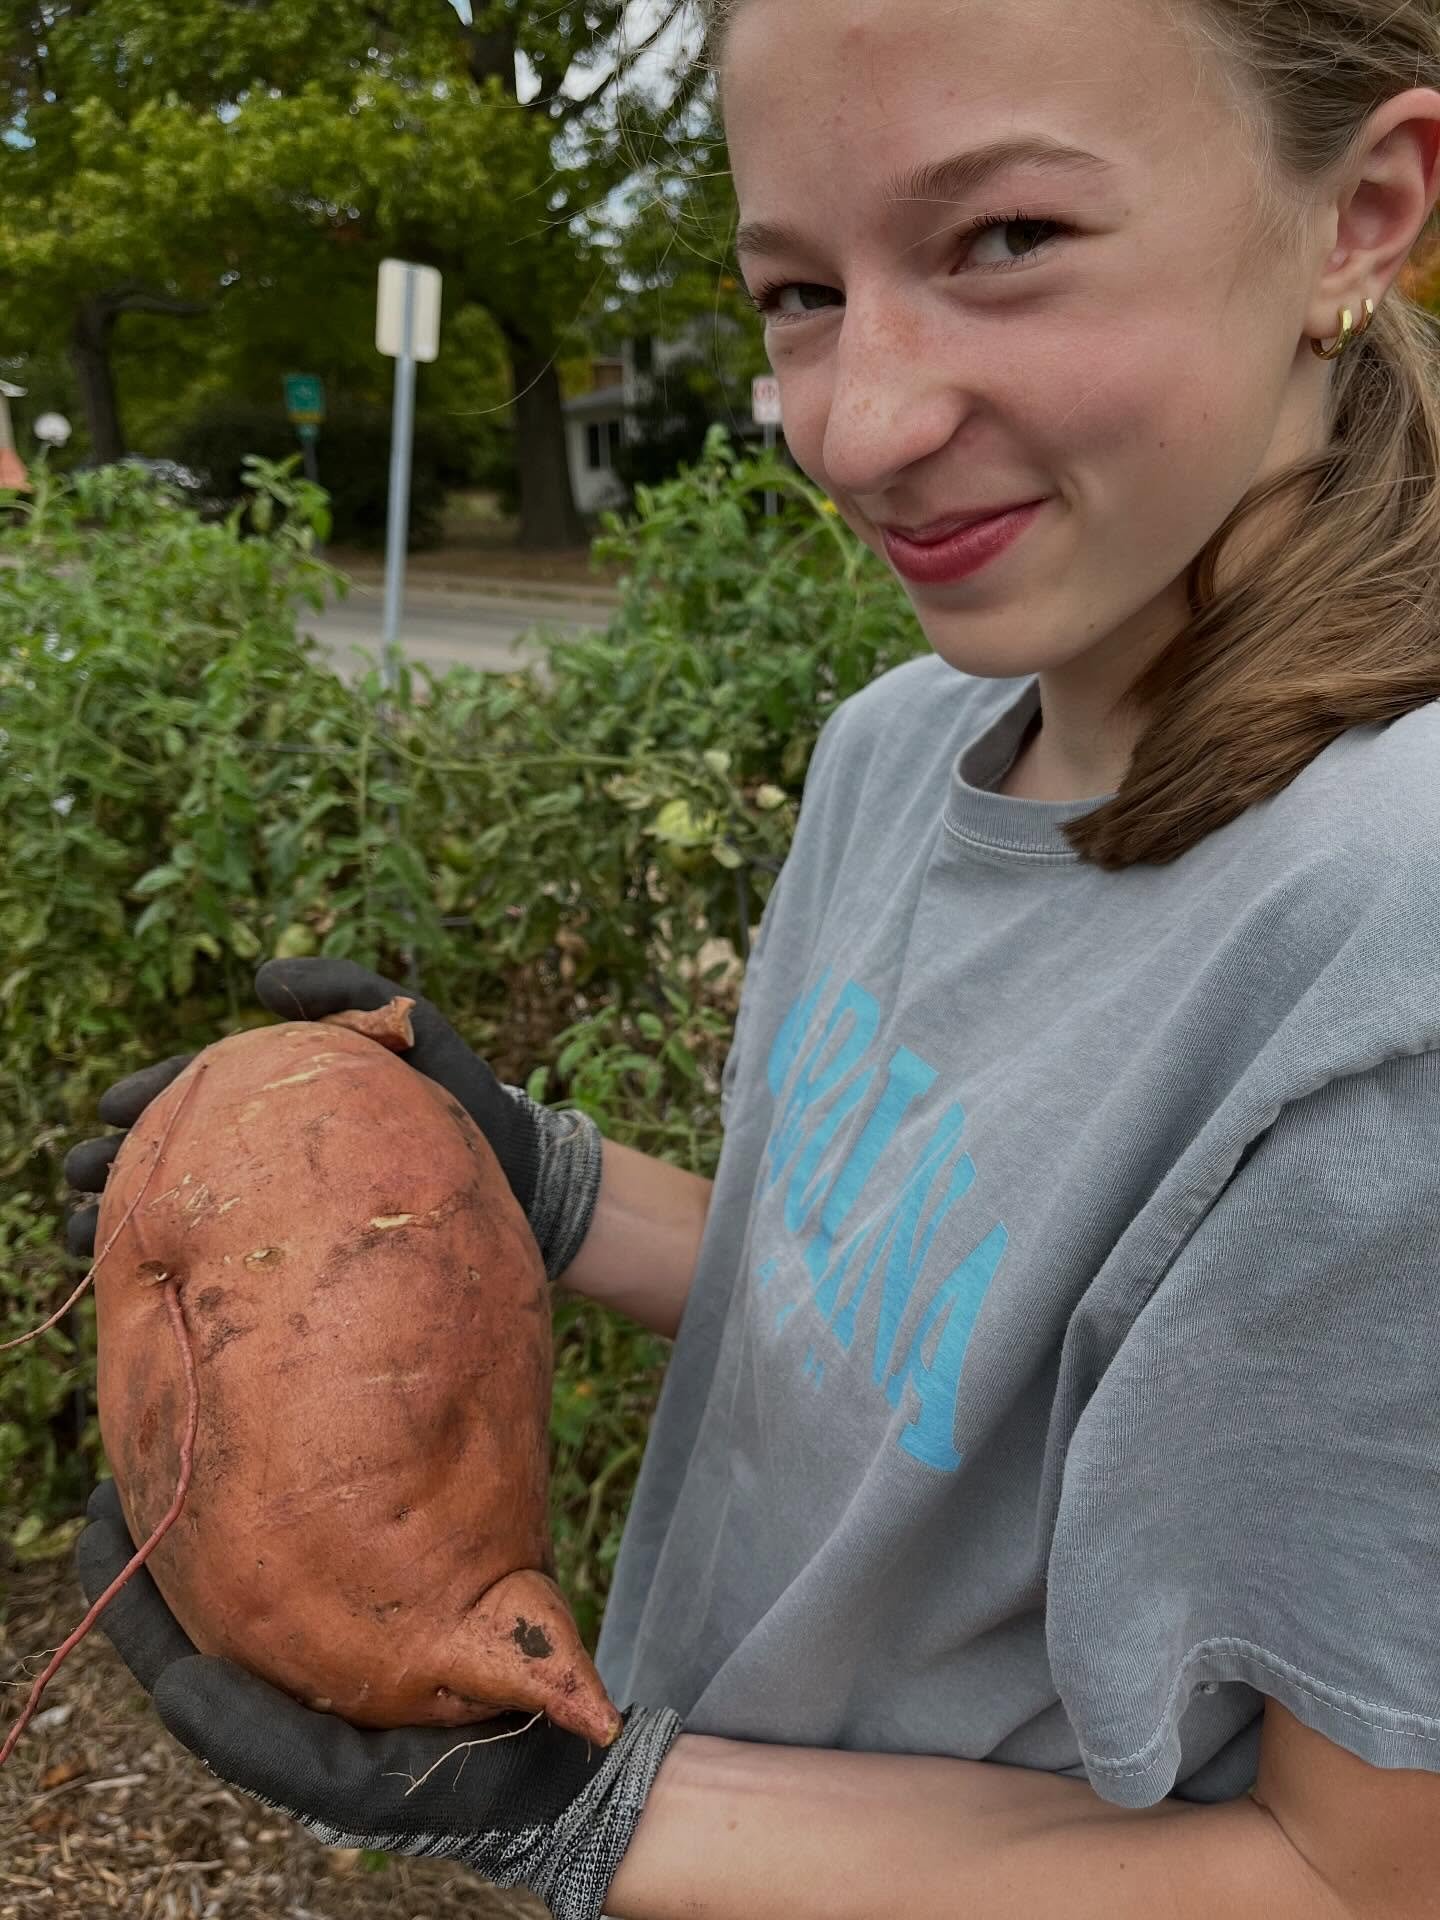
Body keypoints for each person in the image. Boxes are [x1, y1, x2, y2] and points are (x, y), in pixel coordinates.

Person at [62, 0, 1440, 1915]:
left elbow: (1357, 1873)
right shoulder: (906, 745)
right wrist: (539, 1189)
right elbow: (928, 1337)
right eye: (797, 289)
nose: (850, 421)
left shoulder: (1391, 956)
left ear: (1362, 213)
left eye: (1006, 242)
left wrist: (603, 1821)